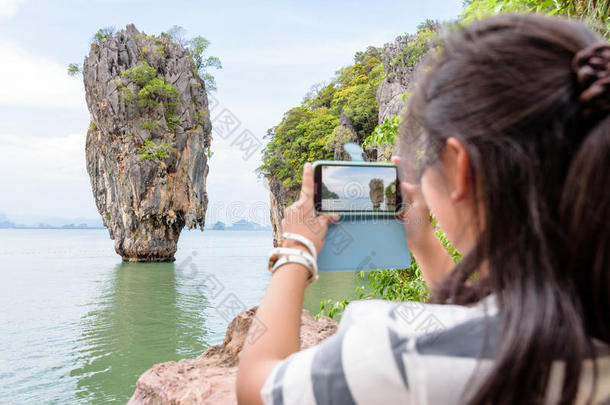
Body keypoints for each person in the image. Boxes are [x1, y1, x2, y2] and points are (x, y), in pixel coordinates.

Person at [236, 13, 610, 405]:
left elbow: (257, 388)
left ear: (460, 167)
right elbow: (489, 318)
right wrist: (424, 242)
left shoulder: (398, 356)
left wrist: (295, 249)